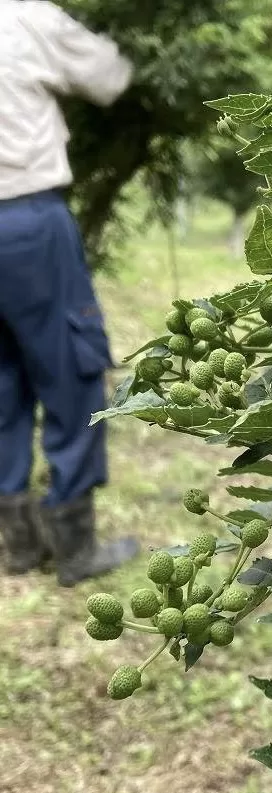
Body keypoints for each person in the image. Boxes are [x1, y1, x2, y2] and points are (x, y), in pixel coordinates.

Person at [0, 0, 138, 585]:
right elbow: (110, 76)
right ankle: (74, 547)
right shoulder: (24, 15)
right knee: (72, 371)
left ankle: (20, 544)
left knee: (1, 377)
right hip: (27, 218)